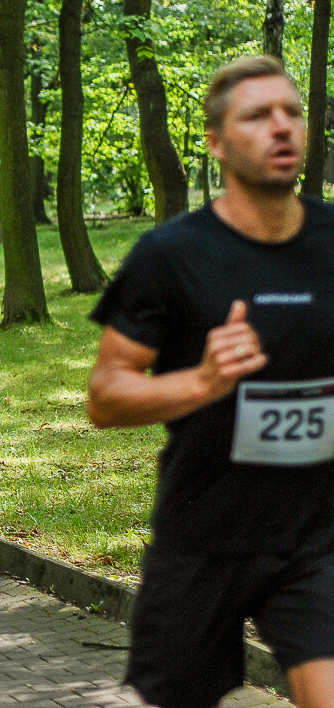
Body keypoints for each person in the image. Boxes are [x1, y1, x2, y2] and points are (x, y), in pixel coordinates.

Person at [88, 56, 334, 708]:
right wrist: (201, 379)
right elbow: (106, 395)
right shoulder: (170, 256)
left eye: (292, 112)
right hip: (203, 540)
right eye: (258, 115)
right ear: (217, 143)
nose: (281, 127)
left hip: (316, 537)